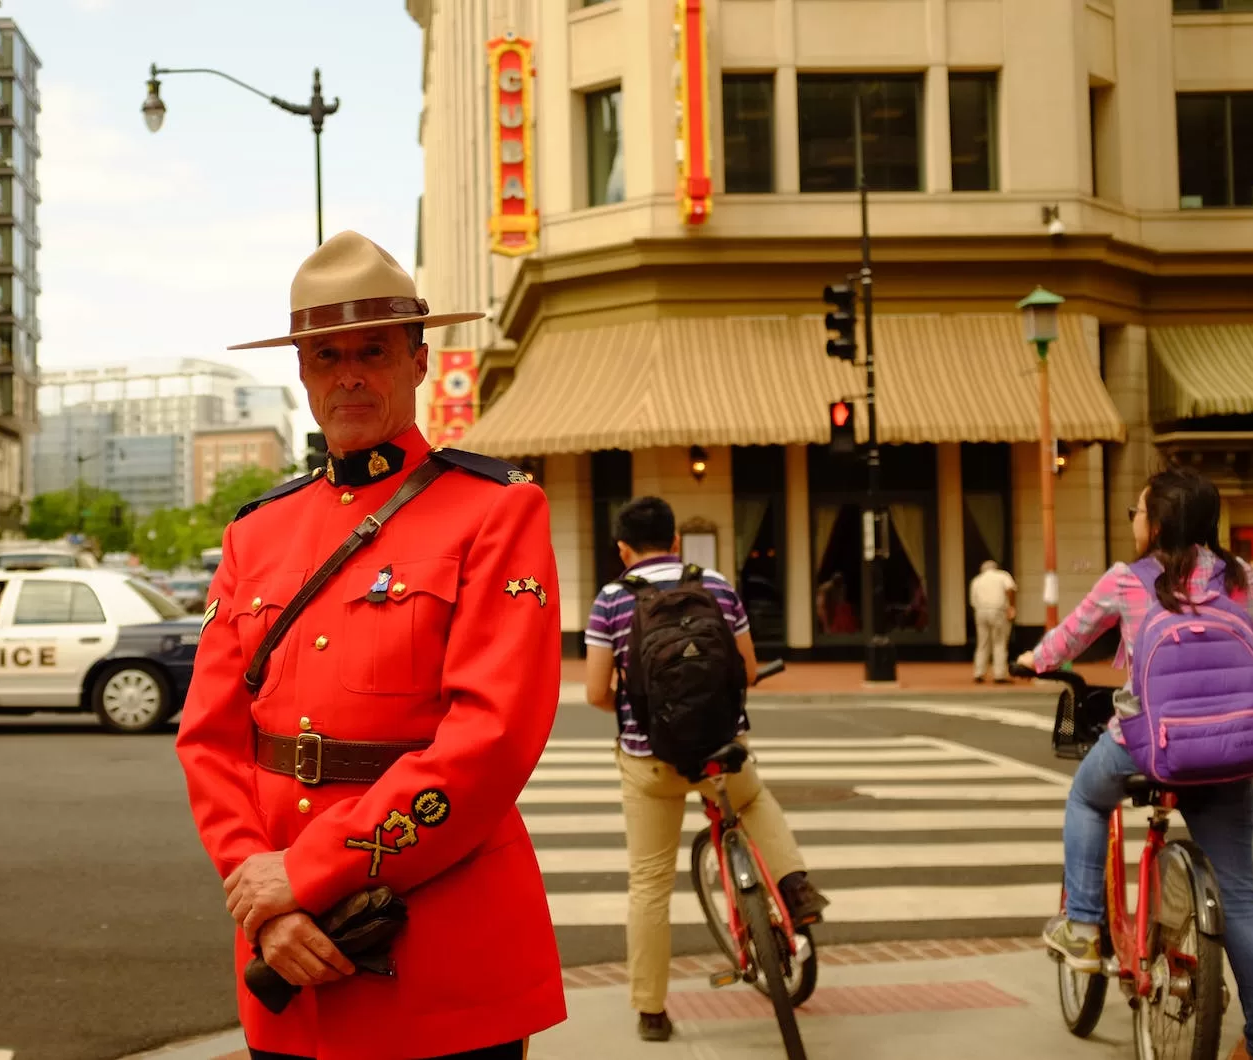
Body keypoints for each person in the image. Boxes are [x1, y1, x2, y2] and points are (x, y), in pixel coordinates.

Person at [175, 231, 565, 1060]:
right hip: (288, 955)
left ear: (419, 361)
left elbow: (490, 739)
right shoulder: (256, 531)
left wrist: (307, 874)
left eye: (373, 351)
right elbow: (210, 739)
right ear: (305, 372)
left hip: (441, 952)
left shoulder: (497, 511)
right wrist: (264, 898)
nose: (348, 373)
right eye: (326, 355)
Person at [1019, 466, 1253, 1060]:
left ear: (1158, 523)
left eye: (1136, 512)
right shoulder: (1245, 577)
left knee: (1087, 798)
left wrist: (1032, 660)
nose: (1133, 522)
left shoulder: (1127, 578)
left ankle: (1085, 929)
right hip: (1233, 750)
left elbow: (1067, 639)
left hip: (1151, 744)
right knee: (1240, 898)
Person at [583, 496, 829, 1043]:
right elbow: (744, 669)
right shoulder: (715, 583)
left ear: (623, 550)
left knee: (648, 883)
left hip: (651, 761)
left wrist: (635, 707)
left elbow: (597, 692)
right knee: (753, 799)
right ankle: (795, 890)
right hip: (721, 750)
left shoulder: (610, 600)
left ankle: (651, 1009)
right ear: (674, 542)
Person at [969, 559, 1018, 683]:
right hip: (998, 610)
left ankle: (979, 672)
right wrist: (1011, 607)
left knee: (983, 642)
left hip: (980, 611)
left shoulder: (977, 580)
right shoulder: (1002, 575)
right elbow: (1010, 589)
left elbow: (973, 600)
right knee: (999, 642)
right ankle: (999, 674)